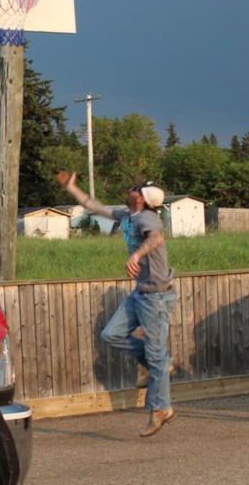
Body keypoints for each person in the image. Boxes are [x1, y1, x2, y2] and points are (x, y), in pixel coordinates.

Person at [59, 171, 177, 437]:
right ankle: (157, 362)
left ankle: (161, 409)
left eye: (135, 188)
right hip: (141, 293)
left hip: (156, 296)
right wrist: (71, 187)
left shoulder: (147, 217)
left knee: (157, 356)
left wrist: (136, 254)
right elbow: (93, 206)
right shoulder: (128, 215)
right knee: (111, 334)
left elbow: (157, 238)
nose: (130, 189)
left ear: (143, 199)